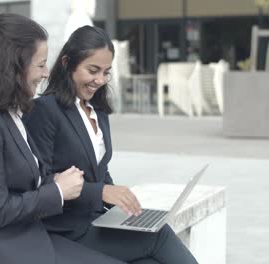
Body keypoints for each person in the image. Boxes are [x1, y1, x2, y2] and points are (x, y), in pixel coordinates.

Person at [0, 14, 127, 264]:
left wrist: (57, 180)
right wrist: (57, 191)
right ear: (13, 66)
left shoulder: (10, 114)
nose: (46, 73)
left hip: (31, 241)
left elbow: (26, 182)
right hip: (2, 253)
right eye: (40, 64)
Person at [25, 25, 199, 264]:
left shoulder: (98, 111)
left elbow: (99, 168)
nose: (100, 80)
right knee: (161, 236)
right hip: (67, 230)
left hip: (97, 221)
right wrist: (102, 192)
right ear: (67, 63)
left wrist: (120, 199)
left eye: (106, 72)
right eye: (93, 70)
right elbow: (39, 181)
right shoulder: (45, 111)